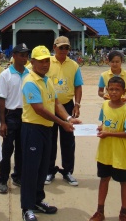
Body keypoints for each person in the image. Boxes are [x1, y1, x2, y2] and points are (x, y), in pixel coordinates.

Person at [21, 45, 81, 221]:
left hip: (46, 129)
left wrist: (68, 118)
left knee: (42, 168)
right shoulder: (30, 81)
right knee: (31, 170)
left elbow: (56, 103)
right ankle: (27, 208)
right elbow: (39, 109)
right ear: (32, 62)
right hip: (33, 129)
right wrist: (62, 123)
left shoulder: (46, 80)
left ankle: (38, 201)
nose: (45, 64)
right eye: (41, 61)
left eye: (47, 60)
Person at [89, 76, 126, 221]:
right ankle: (100, 211)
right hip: (105, 152)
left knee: (123, 182)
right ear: (107, 90)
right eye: (111, 89)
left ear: (124, 91)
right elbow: (104, 122)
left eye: (117, 89)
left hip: (120, 154)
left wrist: (108, 133)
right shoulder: (105, 105)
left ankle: (124, 212)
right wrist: (101, 128)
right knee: (104, 180)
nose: (114, 92)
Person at [46, 36, 83, 186]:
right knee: (50, 139)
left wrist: (77, 104)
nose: (63, 50)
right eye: (61, 47)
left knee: (68, 140)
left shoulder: (74, 65)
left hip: (67, 105)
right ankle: (49, 170)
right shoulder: (47, 62)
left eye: (66, 47)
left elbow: (78, 86)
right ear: (54, 47)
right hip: (49, 106)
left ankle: (68, 171)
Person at [0, 43, 30, 194]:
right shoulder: (6, 75)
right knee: (7, 149)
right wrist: (3, 122)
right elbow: (1, 100)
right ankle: (3, 179)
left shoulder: (30, 74)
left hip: (26, 115)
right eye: (21, 55)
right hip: (11, 115)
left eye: (26, 55)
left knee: (22, 150)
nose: (24, 58)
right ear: (14, 56)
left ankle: (18, 176)